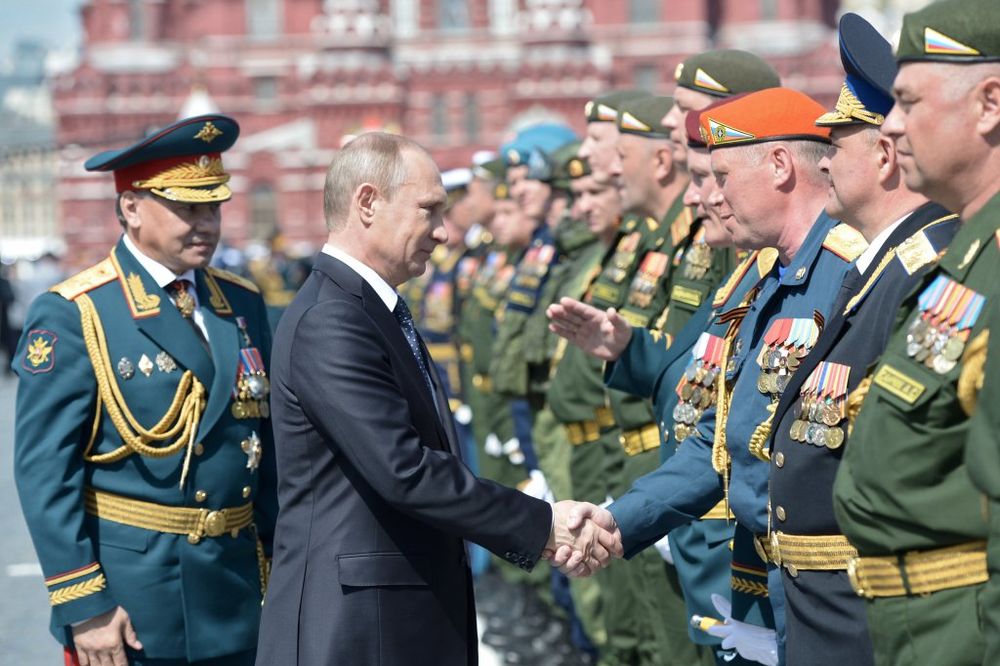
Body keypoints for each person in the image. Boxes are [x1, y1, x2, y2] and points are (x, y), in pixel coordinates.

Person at [254, 132, 621, 666]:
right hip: (360, 630)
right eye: (428, 211)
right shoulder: (332, 320)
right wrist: (543, 525)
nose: (444, 233)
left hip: (391, 614)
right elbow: (404, 469)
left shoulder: (368, 310)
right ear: (367, 203)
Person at [550, 88, 868, 664]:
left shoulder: (852, 272)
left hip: (833, 595)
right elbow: (717, 440)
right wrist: (621, 522)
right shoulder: (755, 282)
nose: (707, 198)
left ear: (778, 166)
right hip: (758, 583)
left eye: (721, 176)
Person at [14, 114, 279, 666]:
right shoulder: (76, 314)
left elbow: (267, 452)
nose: (206, 224)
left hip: (240, 589)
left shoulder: (242, 301)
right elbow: (45, 473)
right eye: (187, 207)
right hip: (139, 605)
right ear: (131, 207)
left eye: (214, 206)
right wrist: (84, 603)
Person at [763, 14, 959, 665]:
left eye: (835, 147)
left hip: (871, 607)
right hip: (829, 603)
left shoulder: (925, 269)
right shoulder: (878, 269)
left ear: (880, 157)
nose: (823, 163)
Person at [832, 1, 1000, 664]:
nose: (890, 127)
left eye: (906, 101)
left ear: (989, 103)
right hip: (914, 627)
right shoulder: (965, 257)